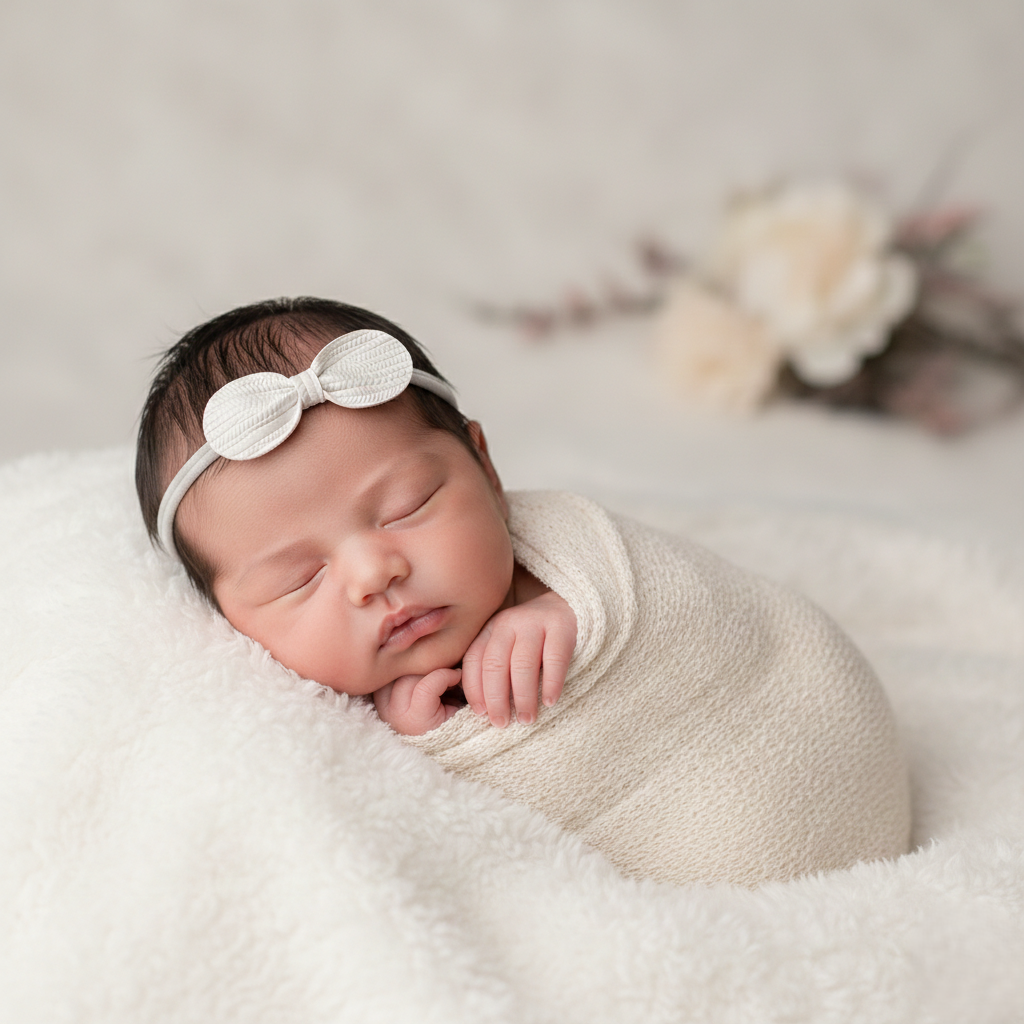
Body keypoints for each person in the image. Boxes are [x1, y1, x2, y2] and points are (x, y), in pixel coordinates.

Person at [137, 295, 911, 887]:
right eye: (299, 579)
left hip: (808, 759)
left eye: (406, 508)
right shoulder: (290, 740)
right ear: (230, 620)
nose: (374, 574)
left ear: (484, 464)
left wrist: (560, 607)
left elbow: (712, 621)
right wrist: (414, 743)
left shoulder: (571, 559)